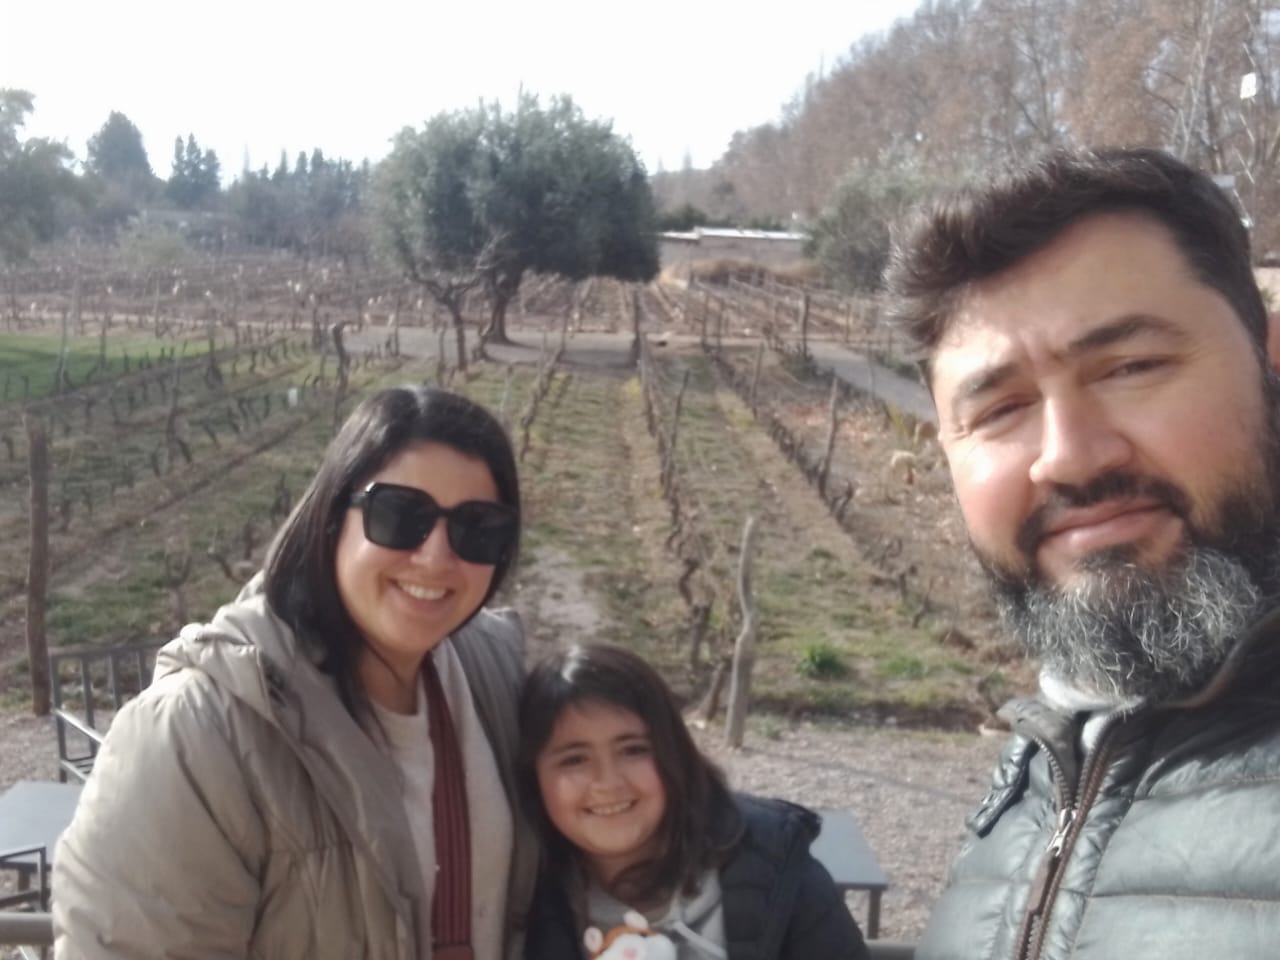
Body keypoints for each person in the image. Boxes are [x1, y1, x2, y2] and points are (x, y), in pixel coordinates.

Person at [882, 147, 1280, 959]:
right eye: (998, 410)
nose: (1068, 457)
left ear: (1271, 359)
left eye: (1131, 367)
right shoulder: (1034, 775)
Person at [53, 385, 538, 960]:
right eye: (400, 515)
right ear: (333, 517)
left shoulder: (498, 680)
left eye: (477, 528)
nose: (436, 557)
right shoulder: (196, 735)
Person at [517, 643, 869, 960]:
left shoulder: (780, 872)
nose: (607, 782)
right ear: (534, 776)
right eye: (574, 759)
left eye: (633, 750)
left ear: (675, 753)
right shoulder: (521, 900)